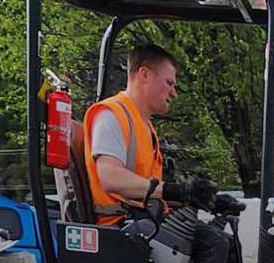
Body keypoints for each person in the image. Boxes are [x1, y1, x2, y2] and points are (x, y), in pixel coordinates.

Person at [83, 42, 212, 225]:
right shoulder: (111, 115)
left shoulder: (144, 126)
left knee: (215, 237)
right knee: (211, 242)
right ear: (144, 74)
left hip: (144, 219)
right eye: (169, 83)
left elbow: (150, 192)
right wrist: (172, 190)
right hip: (120, 225)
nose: (174, 93)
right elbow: (110, 177)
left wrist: (202, 198)